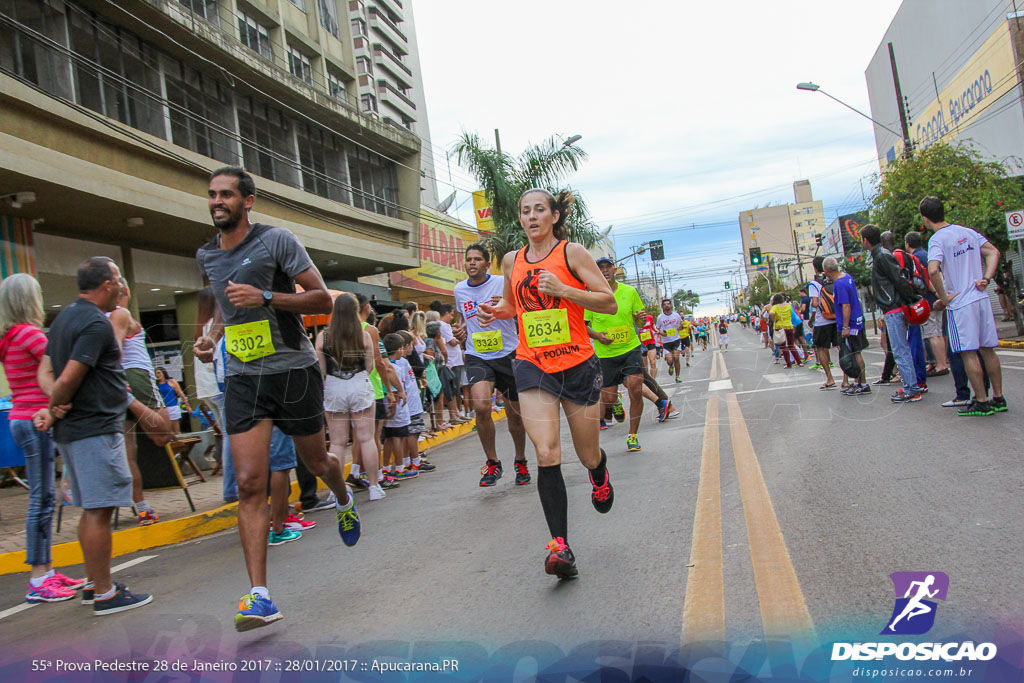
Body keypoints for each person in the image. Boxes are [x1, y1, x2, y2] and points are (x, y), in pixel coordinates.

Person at [193, 166, 361, 631]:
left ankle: (342, 495)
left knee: (315, 463)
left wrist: (266, 296)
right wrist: (210, 338)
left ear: (248, 201)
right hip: (244, 377)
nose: (217, 201)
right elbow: (229, 310)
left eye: (226, 194)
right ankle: (260, 596)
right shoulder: (207, 254)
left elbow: (323, 300)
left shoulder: (277, 241)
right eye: (212, 195)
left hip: (291, 370)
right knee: (250, 481)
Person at [476, 188, 617, 580]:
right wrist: (494, 312)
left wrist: (565, 290)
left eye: (540, 209)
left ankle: (599, 472)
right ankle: (561, 548)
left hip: (577, 364)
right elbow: (513, 306)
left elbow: (607, 301)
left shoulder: (573, 254)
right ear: (520, 220)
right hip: (532, 364)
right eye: (525, 211)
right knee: (547, 451)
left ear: (554, 216)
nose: (532, 216)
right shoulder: (512, 260)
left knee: (588, 453)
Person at [40, 257, 153, 615]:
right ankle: (105, 592)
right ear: (107, 285)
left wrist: (56, 403)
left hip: (73, 430)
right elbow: (71, 376)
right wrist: (59, 400)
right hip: (94, 429)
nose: (122, 286)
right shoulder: (95, 324)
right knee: (99, 510)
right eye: (119, 279)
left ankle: (93, 583)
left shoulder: (62, 320)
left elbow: (45, 370)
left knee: (91, 510)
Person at [0, 274, 85, 603]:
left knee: (44, 497)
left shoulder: (8, 337)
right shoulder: (31, 335)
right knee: (42, 499)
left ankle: (47, 571)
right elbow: (61, 368)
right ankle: (38, 578)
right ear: (29, 300)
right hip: (37, 421)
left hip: (20, 418)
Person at [920, 196, 1006, 416]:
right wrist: (986, 278)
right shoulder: (967, 232)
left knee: (968, 353)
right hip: (981, 298)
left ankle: (981, 401)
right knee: (988, 351)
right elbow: (993, 252)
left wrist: (944, 297)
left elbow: (932, 270)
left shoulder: (938, 239)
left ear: (925, 218)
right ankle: (998, 397)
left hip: (960, 303)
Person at [454, 243, 530, 487]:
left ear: (487, 264)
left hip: (508, 352)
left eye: (477, 259)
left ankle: (520, 460)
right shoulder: (459, 290)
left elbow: (523, 309)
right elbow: (462, 318)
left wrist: (509, 306)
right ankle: (493, 463)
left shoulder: (501, 283)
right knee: (481, 406)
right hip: (477, 354)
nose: (472, 263)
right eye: (468, 259)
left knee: (515, 416)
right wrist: (460, 330)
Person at [107, 281, 172, 525]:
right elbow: (115, 349)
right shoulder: (121, 314)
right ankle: (129, 399)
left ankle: (141, 505)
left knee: (129, 451)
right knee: (163, 434)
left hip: (118, 381)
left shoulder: (103, 316)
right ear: (124, 293)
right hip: (136, 376)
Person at [315, 293, 385, 501]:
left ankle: (337, 493)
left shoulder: (323, 337)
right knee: (366, 439)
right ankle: (374, 486)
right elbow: (370, 365)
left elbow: (321, 369)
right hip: (359, 384)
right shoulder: (363, 335)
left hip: (334, 387)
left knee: (336, 442)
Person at [585, 256, 649, 453]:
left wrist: (640, 320)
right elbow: (583, 326)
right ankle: (616, 403)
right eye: (600, 268)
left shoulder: (629, 292)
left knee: (636, 388)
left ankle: (632, 435)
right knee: (609, 398)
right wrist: (597, 336)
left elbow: (640, 323)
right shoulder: (591, 296)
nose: (605, 271)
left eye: (608, 267)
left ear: (615, 270)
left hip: (630, 348)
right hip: (605, 354)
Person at [861, 225, 922, 403]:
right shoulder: (881, 255)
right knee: (899, 350)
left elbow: (899, 279)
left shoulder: (882, 256)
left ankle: (912, 389)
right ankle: (911, 386)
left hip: (894, 307)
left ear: (866, 240)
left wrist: (910, 300)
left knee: (900, 350)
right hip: (892, 307)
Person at [906, 231, 949, 377]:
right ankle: (939, 362)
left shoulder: (915, 258)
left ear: (907, 244)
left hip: (929, 301)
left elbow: (926, 278)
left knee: (932, 334)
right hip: (937, 300)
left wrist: (937, 293)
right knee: (938, 331)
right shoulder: (928, 254)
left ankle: (940, 365)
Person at [823, 257, 869, 394]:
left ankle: (863, 383)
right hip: (856, 321)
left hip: (850, 324)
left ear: (826, 271)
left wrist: (845, 327)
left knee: (855, 353)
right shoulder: (847, 277)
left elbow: (846, 306)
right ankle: (858, 382)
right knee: (855, 352)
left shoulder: (839, 284)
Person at [808, 256, 839, 389]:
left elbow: (815, 303)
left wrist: (812, 318)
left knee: (821, 348)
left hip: (822, 321)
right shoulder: (834, 279)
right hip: (836, 318)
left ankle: (829, 378)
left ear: (815, 267)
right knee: (841, 347)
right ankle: (846, 379)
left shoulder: (814, 284)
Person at [769, 294, 802, 368]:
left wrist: (774, 320)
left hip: (780, 327)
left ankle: (788, 363)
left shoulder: (775, 307)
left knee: (784, 346)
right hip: (789, 326)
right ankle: (799, 362)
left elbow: (771, 313)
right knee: (791, 345)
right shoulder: (788, 305)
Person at [656, 299, 685, 380]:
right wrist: (663, 334)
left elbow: (680, 328)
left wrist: (682, 326)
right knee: (670, 361)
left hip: (676, 340)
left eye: (668, 304)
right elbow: (657, 330)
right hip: (666, 342)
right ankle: (671, 366)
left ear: (671, 305)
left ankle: (677, 376)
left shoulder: (676, 315)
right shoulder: (660, 318)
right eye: (665, 304)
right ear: (662, 306)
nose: (667, 305)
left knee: (676, 358)